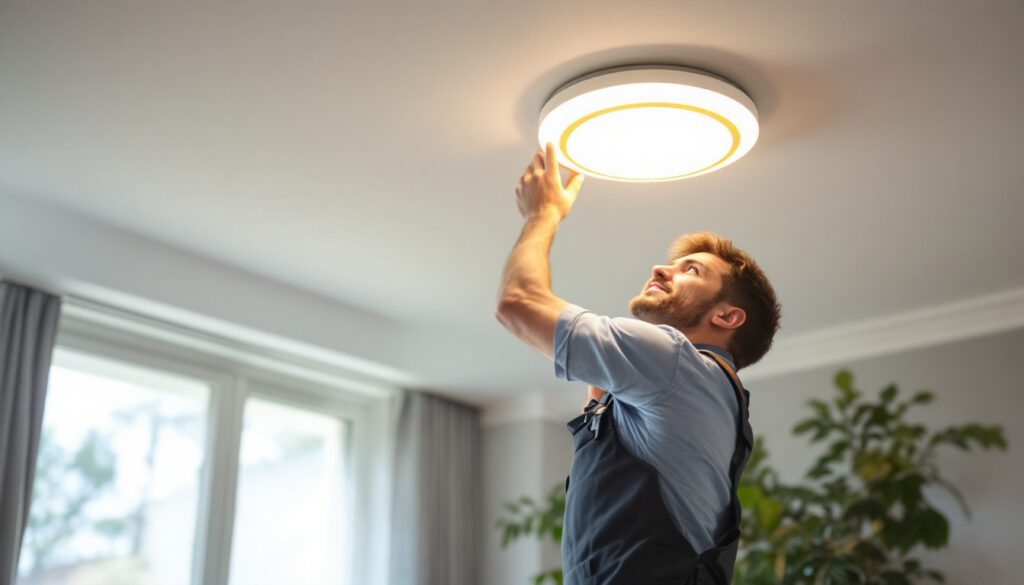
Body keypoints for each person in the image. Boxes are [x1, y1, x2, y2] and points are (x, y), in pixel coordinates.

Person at [495, 143, 781, 585]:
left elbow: (517, 304)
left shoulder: (676, 363)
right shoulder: (689, 388)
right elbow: (596, 384)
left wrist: (543, 216)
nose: (661, 269)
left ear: (726, 316)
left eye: (691, 270)